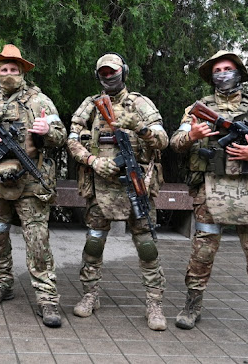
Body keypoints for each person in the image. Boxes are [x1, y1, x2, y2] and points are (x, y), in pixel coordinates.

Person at [170, 50, 248, 343]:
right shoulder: (197, 110)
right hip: (211, 191)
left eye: (227, 68)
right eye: (217, 69)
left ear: (239, 73)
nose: (222, 73)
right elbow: (176, 143)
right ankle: (191, 306)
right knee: (203, 251)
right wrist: (193, 136)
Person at [0, 44, 65, 328]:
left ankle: (47, 298)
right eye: (3, 69)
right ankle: (1, 283)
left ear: (22, 72)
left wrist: (47, 132)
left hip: (31, 180)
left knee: (37, 238)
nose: (8, 73)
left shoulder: (40, 101)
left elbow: (61, 135)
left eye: (13, 69)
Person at [67, 53, 169, 330]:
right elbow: (73, 138)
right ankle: (90, 295)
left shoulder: (140, 103)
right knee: (94, 243)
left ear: (123, 71)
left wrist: (138, 126)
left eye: (113, 71)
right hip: (100, 186)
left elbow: (163, 140)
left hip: (136, 184)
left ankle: (155, 303)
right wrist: (92, 160)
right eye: (103, 72)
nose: (108, 76)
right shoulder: (90, 105)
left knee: (147, 246)